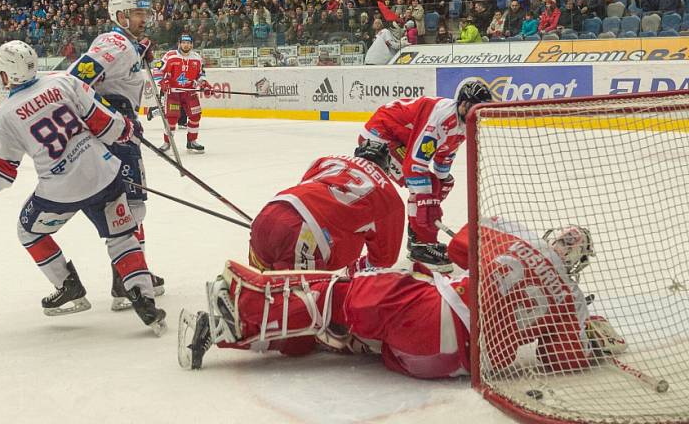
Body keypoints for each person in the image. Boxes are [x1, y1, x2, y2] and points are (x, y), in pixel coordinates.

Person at [178, 216, 625, 378]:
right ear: (580, 265)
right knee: (353, 329)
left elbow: (456, 248)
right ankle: (351, 338)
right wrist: (592, 341)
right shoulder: (573, 300)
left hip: (430, 316)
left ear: (550, 235)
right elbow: (559, 359)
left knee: (341, 293)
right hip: (445, 364)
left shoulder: (516, 238)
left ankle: (238, 313)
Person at [0, 41, 166, 334]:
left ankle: (68, 286)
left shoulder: (4, 116)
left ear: (4, 75)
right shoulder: (64, 82)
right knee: (121, 235)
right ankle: (143, 299)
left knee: (27, 230)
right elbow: (106, 124)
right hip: (105, 173)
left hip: (61, 190)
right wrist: (128, 128)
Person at [66, 0, 163, 310]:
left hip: (123, 130)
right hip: (115, 135)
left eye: (145, 14)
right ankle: (125, 282)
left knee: (134, 204)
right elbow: (76, 81)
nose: (144, 20)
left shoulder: (126, 44)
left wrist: (138, 49)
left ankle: (136, 272)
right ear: (120, 16)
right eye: (138, 14)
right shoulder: (113, 43)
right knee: (128, 206)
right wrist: (112, 115)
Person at [357, 82, 493, 273]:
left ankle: (417, 239)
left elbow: (444, 156)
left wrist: (440, 186)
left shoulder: (464, 123)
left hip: (400, 137)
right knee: (423, 189)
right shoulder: (443, 118)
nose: (478, 113)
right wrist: (426, 202)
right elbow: (414, 165)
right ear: (463, 104)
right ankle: (421, 244)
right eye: (475, 107)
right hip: (381, 136)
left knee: (436, 186)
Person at [248, 141, 404, 272]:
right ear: (386, 168)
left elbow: (305, 189)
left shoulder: (327, 160)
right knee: (297, 305)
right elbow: (383, 261)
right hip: (304, 233)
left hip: (271, 211)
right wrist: (352, 268)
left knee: (253, 290)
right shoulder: (389, 196)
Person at [157, 34, 209, 153]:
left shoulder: (197, 57)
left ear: (191, 44)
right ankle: (167, 143)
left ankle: (192, 141)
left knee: (195, 116)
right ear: (179, 44)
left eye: (188, 43)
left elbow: (201, 74)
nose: (186, 45)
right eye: (183, 42)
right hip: (173, 93)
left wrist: (203, 83)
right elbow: (158, 70)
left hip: (189, 92)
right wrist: (162, 82)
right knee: (172, 118)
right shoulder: (170, 56)